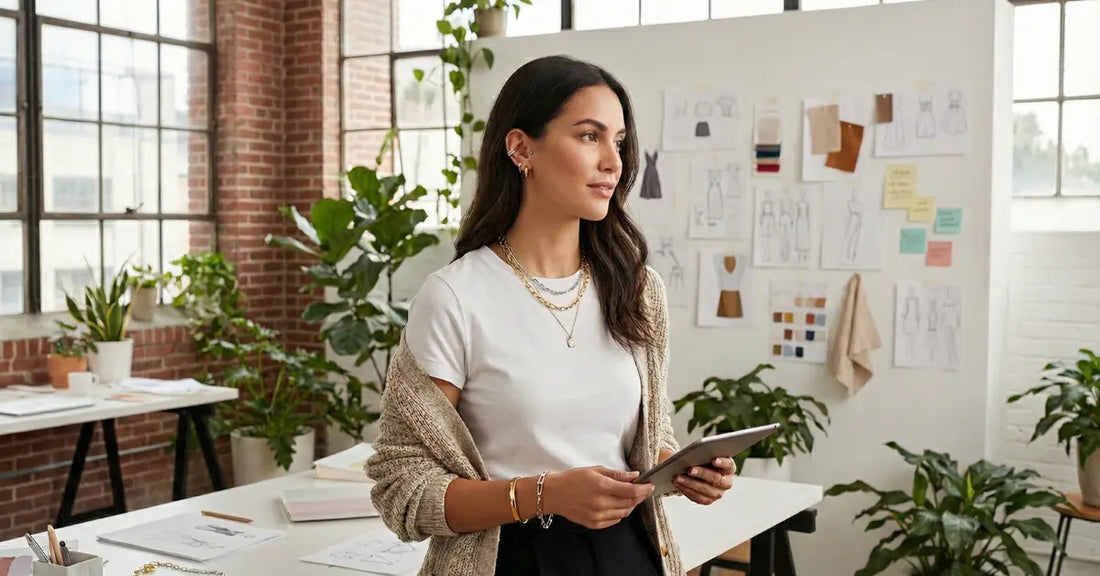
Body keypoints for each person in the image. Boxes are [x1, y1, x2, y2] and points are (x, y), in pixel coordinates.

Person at [365, 54, 737, 576]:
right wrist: (545, 495)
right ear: (521, 148)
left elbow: (644, 437)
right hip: (513, 559)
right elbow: (402, 487)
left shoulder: (636, 289)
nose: (615, 162)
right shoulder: (455, 297)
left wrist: (680, 471)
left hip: (630, 554)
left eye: (620, 142)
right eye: (590, 136)